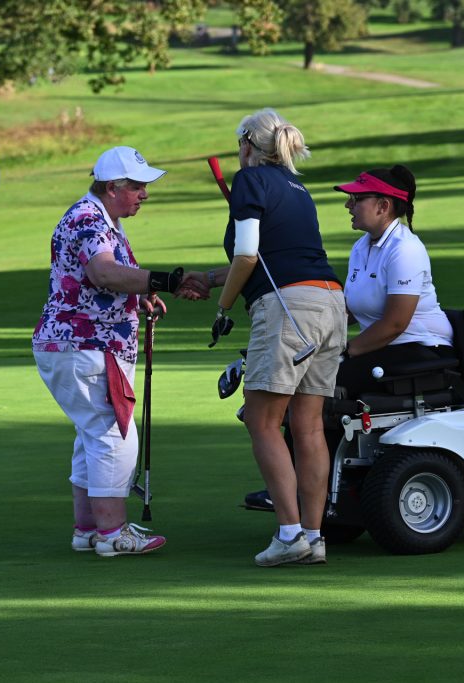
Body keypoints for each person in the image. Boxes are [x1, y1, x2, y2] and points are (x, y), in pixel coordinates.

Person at [184, 108, 347, 567]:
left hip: (288, 309)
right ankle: (313, 537)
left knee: (261, 419)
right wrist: (211, 278)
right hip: (330, 303)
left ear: (247, 145)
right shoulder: (297, 188)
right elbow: (271, 258)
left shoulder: (249, 179)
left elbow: (248, 256)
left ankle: (290, 534)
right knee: (307, 425)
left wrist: (222, 306)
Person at [243, 164, 454, 512]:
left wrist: (344, 350)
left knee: (314, 389)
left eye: (357, 199)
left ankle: (299, 491)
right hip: (383, 349)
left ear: (383, 206)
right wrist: (311, 339)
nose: (348, 205)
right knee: (304, 382)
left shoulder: (406, 249)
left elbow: (395, 322)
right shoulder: (362, 247)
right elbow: (350, 309)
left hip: (419, 349)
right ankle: (299, 488)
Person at [32, 146, 191, 558]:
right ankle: (112, 533)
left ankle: (88, 529)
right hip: (87, 345)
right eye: (137, 186)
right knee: (112, 434)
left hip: (78, 343)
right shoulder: (89, 218)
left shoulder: (101, 219)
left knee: (93, 434)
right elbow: (102, 272)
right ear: (112, 187)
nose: (144, 194)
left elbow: (102, 280)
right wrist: (165, 281)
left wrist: (139, 297)